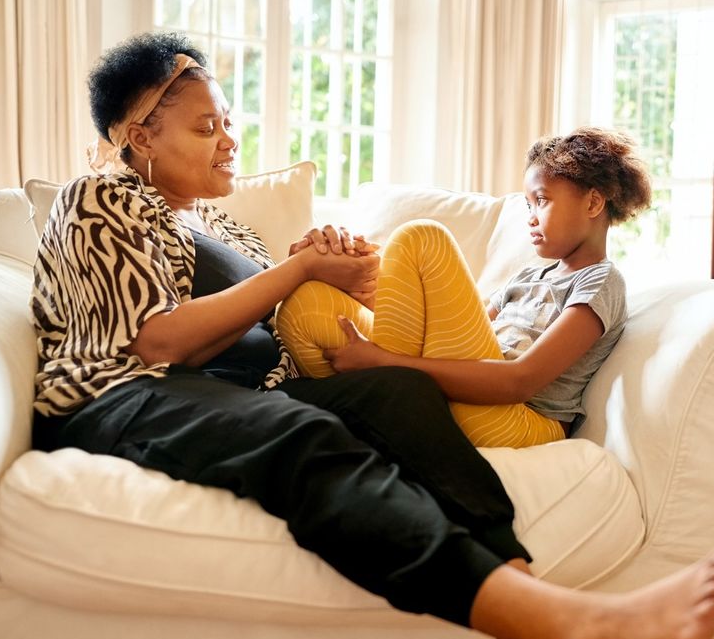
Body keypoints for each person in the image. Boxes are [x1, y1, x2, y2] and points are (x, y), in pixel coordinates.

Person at [30, 30, 714, 639]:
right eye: (203, 128)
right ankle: (561, 623)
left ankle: (518, 594)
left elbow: (282, 323)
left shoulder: (225, 227)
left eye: (228, 122)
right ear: (139, 136)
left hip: (235, 387)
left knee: (396, 390)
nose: (229, 141)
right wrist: (297, 269)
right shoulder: (102, 195)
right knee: (299, 435)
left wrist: (343, 278)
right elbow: (155, 342)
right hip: (124, 392)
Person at [274, 127, 651, 449]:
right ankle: (373, 410)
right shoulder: (526, 278)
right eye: (528, 204)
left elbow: (519, 382)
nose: (531, 217)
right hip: (467, 398)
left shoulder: (601, 281)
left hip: (518, 420)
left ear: (594, 202)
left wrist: (382, 361)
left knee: (424, 238)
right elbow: (447, 332)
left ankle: (381, 387)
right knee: (306, 306)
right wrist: (374, 292)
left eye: (542, 201)